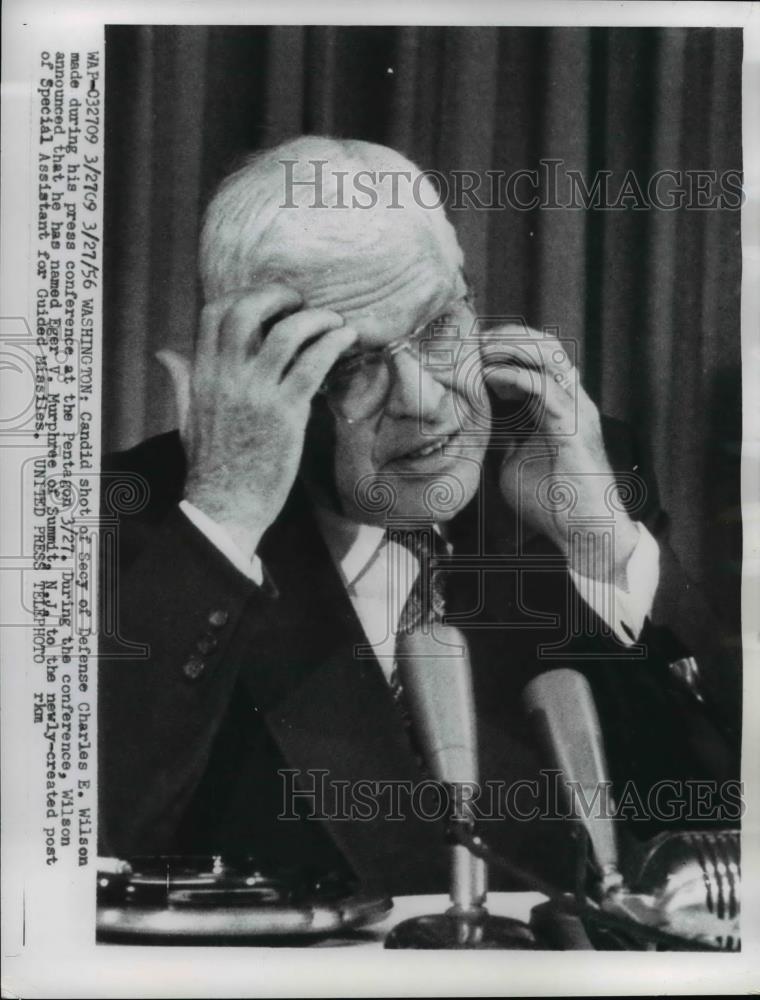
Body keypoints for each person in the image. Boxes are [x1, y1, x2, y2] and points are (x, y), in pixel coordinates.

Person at [98, 136, 739, 896]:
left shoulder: (562, 470)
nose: (425, 399)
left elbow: (721, 834)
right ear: (248, 361)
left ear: (466, 289)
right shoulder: (135, 527)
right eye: (352, 363)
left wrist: (604, 554)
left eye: (438, 327)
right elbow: (72, 854)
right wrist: (227, 514)